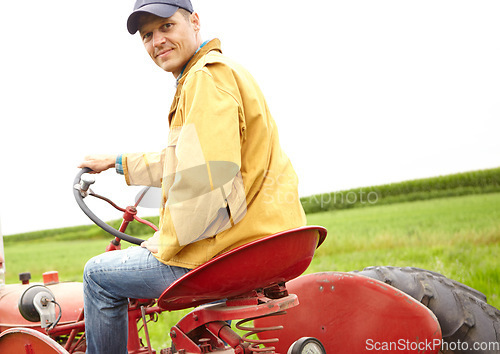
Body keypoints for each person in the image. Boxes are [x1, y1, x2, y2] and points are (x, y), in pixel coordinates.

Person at [78, 0, 306, 352]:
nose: (157, 42)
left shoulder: (202, 77)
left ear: (194, 22)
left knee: (98, 275)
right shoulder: (222, 71)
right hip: (264, 238)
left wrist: (167, 243)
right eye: (147, 35)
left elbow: (208, 180)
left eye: (166, 27)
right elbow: (185, 162)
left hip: (232, 248)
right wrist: (117, 162)